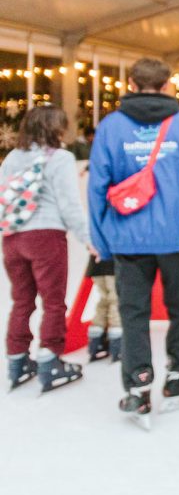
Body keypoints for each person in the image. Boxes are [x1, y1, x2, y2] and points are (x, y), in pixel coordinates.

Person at [88, 57, 179, 426]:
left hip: (128, 239)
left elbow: (97, 185)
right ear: (166, 85)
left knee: (133, 314)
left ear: (130, 83)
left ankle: (138, 387)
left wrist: (101, 239)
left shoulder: (111, 127)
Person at [2, 106, 92, 392]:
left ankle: (17, 360)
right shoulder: (61, 158)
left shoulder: (13, 157)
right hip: (46, 236)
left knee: (22, 300)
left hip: (13, 237)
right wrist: (88, 238)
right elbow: (69, 204)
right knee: (53, 302)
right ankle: (50, 360)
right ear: (56, 128)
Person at [84, 255, 122, 363]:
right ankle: (117, 340)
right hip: (113, 265)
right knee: (115, 300)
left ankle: (96, 339)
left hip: (96, 265)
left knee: (104, 299)